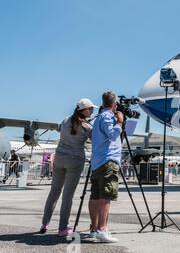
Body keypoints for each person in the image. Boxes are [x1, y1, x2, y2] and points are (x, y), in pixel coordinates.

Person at [40, 98, 96, 236]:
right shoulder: (86, 126)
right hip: (75, 160)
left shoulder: (65, 120)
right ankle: (63, 227)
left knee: (54, 191)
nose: (92, 111)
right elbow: (96, 139)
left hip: (59, 158)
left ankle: (44, 223)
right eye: (91, 109)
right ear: (85, 110)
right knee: (67, 195)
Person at [89, 92, 123, 243]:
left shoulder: (98, 118)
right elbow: (113, 135)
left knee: (95, 196)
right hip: (108, 160)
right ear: (114, 104)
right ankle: (102, 229)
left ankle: (95, 228)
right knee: (106, 196)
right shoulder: (108, 116)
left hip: (97, 162)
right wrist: (120, 122)